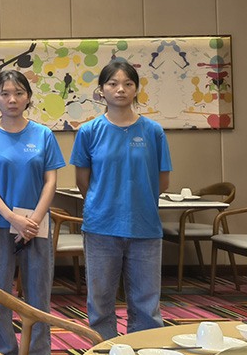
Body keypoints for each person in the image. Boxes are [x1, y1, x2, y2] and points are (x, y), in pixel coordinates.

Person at [0, 70, 65, 355]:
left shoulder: (43, 135)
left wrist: (33, 219)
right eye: (5, 94)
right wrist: (13, 218)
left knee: (39, 297)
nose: (12, 99)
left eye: (19, 93)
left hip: (37, 225)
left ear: (28, 97)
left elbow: (51, 181)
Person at [70, 60, 172, 339]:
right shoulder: (89, 131)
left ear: (136, 89)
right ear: (101, 90)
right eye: (113, 84)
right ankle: (103, 353)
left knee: (146, 302)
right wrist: (104, 202)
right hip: (101, 226)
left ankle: (146, 350)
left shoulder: (153, 131)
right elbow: (82, 181)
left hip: (145, 225)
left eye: (128, 84)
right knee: (100, 300)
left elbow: (163, 182)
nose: (120, 89)